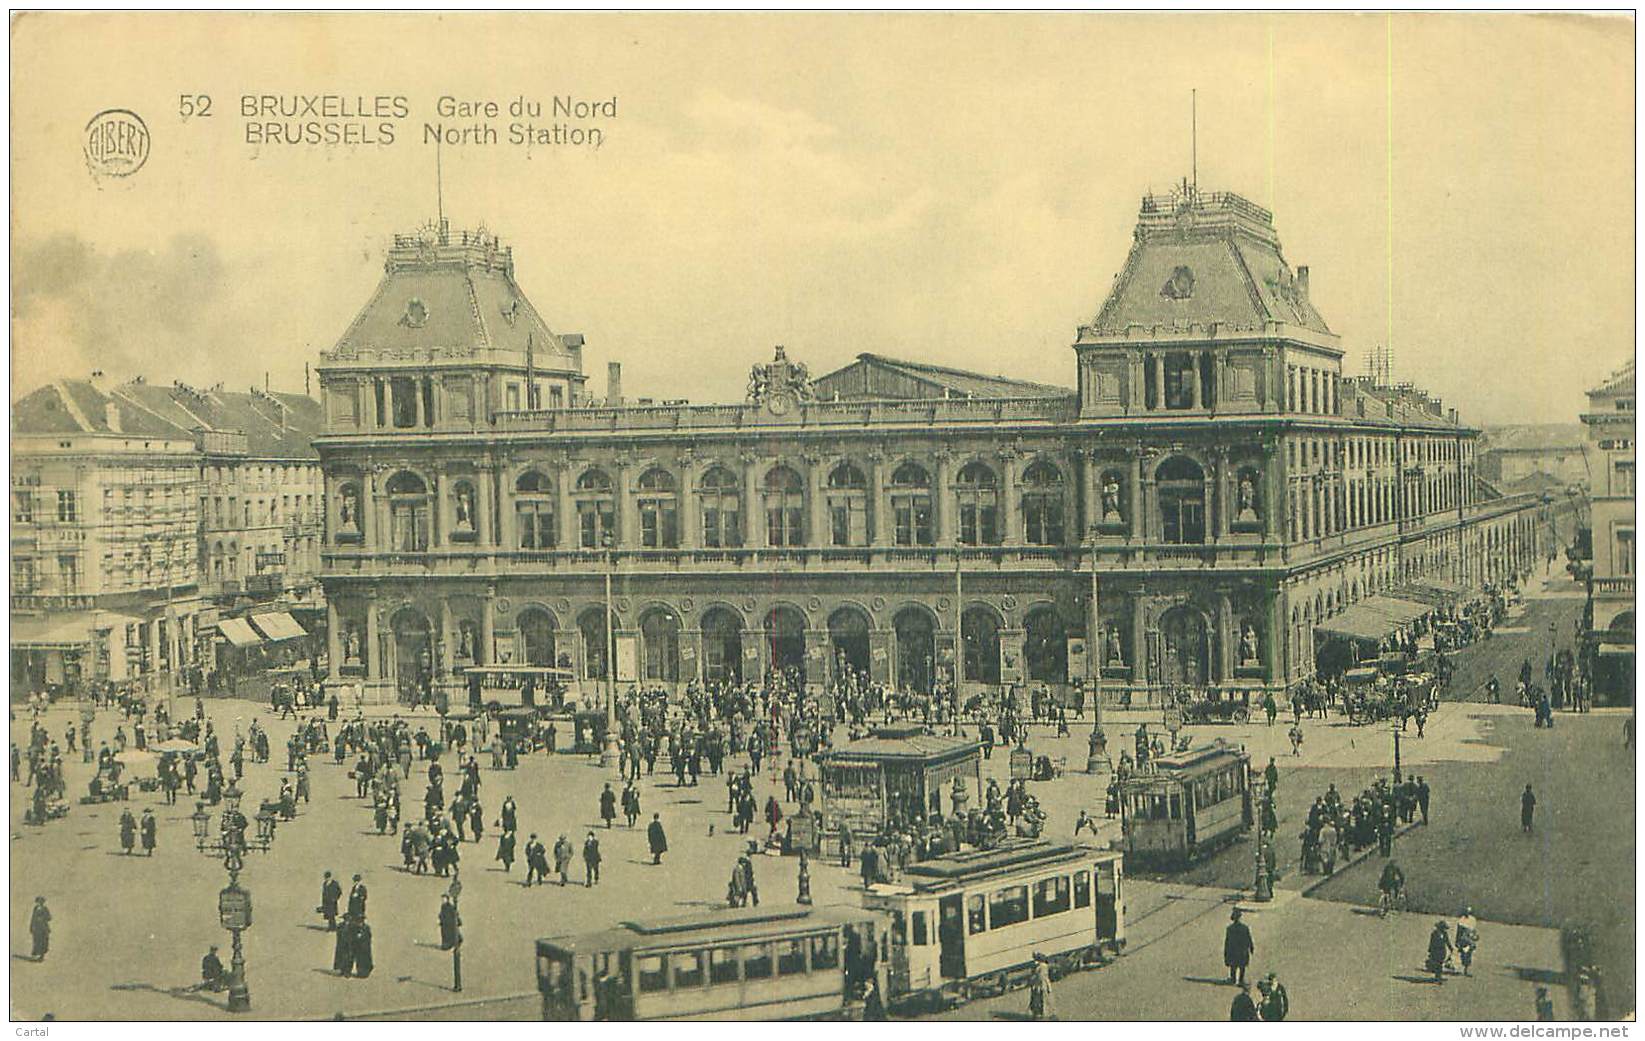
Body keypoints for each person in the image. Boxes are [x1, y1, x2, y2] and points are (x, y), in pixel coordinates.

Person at [1223, 908, 1254, 985]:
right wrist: (1251, 948)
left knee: (1233, 966)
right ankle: (1241, 980)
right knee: (1242, 966)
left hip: (1233, 951)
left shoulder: (1230, 929)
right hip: (1242, 951)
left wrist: (1226, 953)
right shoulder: (1244, 928)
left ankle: (1233, 980)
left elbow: (1227, 942)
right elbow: (1249, 939)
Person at [1028, 952, 1054, 1020]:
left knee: (1042, 1000)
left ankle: (1043, 1014)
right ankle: (1038, 1013)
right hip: (1039, 985)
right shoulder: (1039, 966)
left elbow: (1041, 977)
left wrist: (1034, 982)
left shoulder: (1042, 966)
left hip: (1041, 985)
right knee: (1037, 1000)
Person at [1455, 908, 1479, 978]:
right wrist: (1457, 941)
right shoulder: (1461, 920)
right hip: (1463, 940)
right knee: (1463, 954)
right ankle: (1463, 970)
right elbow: (1459, 932)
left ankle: (1466, 970)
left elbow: (1474, 930)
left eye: (1468, 912)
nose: (1467, 913)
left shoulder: (1473, 920)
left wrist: (1475, 937)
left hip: (1470, 940)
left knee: (1469, 954)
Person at [29, 897, 51, 961]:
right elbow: (33, 918)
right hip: (37, 928)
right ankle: (36, 955)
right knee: (36, 941)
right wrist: (31, 927)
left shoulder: (45, 909)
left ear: (42, 903)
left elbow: (49, 917)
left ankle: (41, 957)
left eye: (40, 902)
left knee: (43, 942)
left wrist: (42, 918)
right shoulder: (35, 909)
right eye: (38, 902)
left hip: (43, 928)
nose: (39, 903)